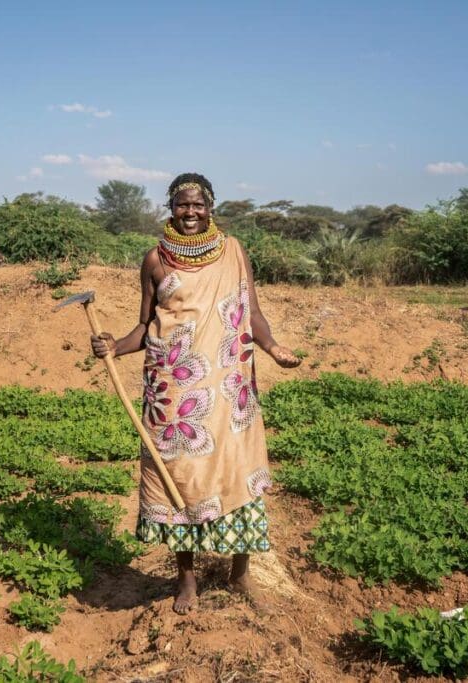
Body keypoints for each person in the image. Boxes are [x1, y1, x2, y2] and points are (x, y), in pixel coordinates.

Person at [91, 173, 300, 614]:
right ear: (171, 208)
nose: (190, 212)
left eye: (198, 205)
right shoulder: (155, 261)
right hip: (174, 392)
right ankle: (186, 581)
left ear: (210, 207)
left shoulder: (234, 251)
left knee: (235, 470)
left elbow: (252, 315)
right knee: (176, 481)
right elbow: (145, 329)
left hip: (227, 388)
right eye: (182, 205)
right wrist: (113, 346)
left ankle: (239, 574)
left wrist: (274, 347)